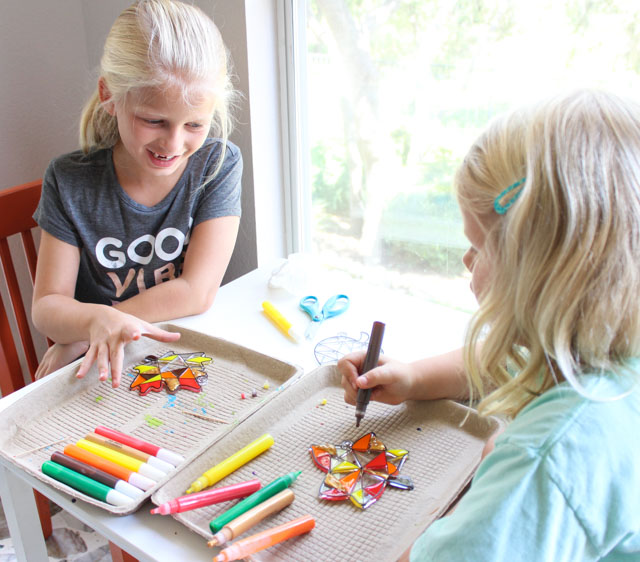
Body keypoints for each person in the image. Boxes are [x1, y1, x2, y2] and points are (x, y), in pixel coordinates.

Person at [340, 90, 640, 560]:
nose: (465, 260)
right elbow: (512, 359)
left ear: (536, 274)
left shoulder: (540, 462)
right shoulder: (610, 344)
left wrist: (506, 471)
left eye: (478, 247)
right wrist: (416, 378)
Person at [31, 0, 242, 388]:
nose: (173, 143)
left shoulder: (218, 163)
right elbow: (46, 307)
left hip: (181, 355)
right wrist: (95, 326)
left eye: (195, 124)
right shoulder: (68, 180)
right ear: (109, 95)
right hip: (103, 369)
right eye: (154, 120)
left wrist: (87, 331)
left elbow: (197, 291)